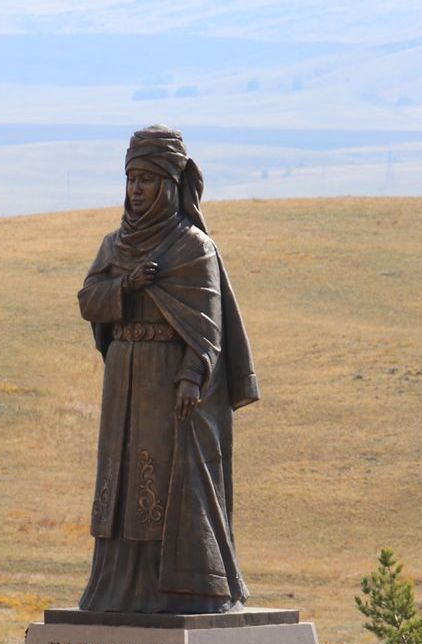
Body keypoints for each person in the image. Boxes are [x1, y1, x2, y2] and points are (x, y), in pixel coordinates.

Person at [76, 125, 259, 614]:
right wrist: (127, 287)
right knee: (121, 477)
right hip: (124, 378)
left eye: (147, 180)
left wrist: (191, 378)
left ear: (171, 186)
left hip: (168, 381)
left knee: (164, 482)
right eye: (131, 179)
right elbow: (88, 300)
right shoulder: (115, 245)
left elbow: (208, 326)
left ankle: (179, 587)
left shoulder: (192, 247)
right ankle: (116, 588)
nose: (137, 190)